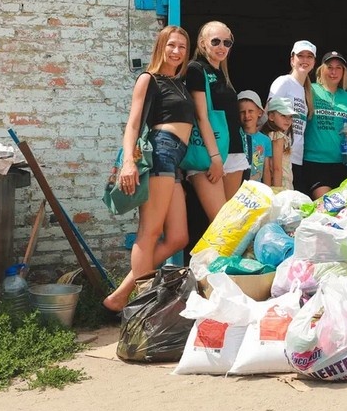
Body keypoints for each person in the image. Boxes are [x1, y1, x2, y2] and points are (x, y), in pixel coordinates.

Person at [103, 26, 195, 312]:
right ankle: (141, 308)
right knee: (150, 232)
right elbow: (133, 124)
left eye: (181, 46)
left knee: (179, 236)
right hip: (160, 152)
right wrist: (128, 161)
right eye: (171, 45)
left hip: (176, 158)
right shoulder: (149, 79)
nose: (176, 51)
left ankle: (119, 297)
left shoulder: (179, 82)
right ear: (160, 47)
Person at [185, 21, 245, 219]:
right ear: (203, 43)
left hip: (233, 151)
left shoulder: (222, 73)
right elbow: (201, 116)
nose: (222, 47)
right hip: (210, 153)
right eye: (216, 41)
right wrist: (215, 157)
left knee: (230, 225)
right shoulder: (196, 69)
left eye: (227, 43)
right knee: (219, 224)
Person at [303, 51, 347, 199]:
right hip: (315, 161)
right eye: (329, 67)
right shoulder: (310, 90)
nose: (334, 72)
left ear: (344, 72)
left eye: (338, 67)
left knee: (342, 208)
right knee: (327, 205)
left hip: (343, 162)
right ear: (321, 69)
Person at [268, 40, 315, 194]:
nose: (305, 60)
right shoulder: (284, 82)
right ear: (292, 60)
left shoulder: (306, 90)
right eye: (300, 55)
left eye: (309, 56)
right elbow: (267, 115)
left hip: (296, 156)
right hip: (280, 158)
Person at [238, 90, 272, 185]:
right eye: (242, 112)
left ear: (260, 112)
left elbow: (266, 170)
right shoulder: (236, 137)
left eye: (250, 111)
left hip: (256, 190)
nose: (247, 115)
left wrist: (267, 192)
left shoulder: (265, 140)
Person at [262, 96, 296, 190]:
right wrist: (278, 192)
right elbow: (276, 168)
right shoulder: (278, 136)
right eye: (283, 115)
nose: (287, 120)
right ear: (271, 116)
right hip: (281, 184)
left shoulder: (271, 135)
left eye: (290, 117)